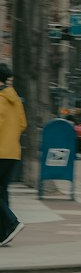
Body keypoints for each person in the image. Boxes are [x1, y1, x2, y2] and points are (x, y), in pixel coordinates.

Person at [0, 63, 27, 246]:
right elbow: (22, 123)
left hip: (0, 151)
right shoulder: (14, 97)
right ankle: (4, 234)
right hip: (12, 152)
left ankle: (12, 223)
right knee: (2, 190)